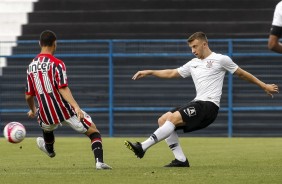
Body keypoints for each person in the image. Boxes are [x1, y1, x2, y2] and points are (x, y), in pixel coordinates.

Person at [124, 32, 279, 167]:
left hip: (209, 106)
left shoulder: (221, 59)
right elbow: (172, 73)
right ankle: (181, 160)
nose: (193, 51)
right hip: (198, 102)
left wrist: (263, 85)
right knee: (163, 120)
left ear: (205, 44)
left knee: (171, 118)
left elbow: (242, 74)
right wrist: (150, 72)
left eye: (195, 46)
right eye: (191, 48)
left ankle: (142, 147)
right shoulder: (193, 63)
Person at [25, 30, 112, 170]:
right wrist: (76, 107)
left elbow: (29, 95)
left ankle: (50, 150)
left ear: (39, 43)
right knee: (94, 132)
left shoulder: (30, 67)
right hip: (66, 110)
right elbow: (63, 88)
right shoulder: (57, 64)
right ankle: (99, 162)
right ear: (55, 44)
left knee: (46, 128)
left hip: (45, 115)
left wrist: (32, 109)